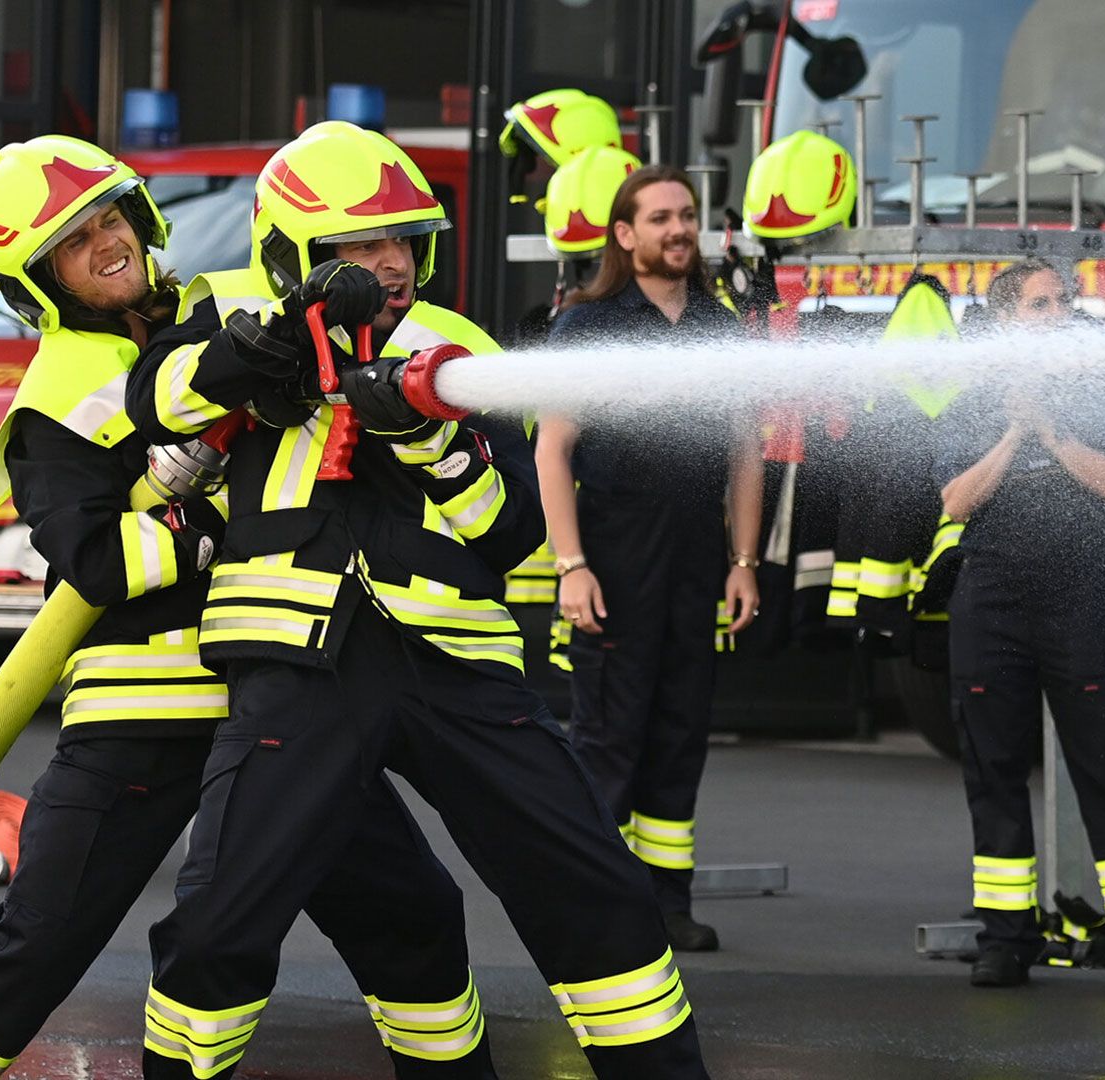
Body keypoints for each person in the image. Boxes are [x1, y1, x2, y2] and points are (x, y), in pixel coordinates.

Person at [0, 135, 492, 1080]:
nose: (106, 243)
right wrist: (209, 523)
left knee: (412, 917)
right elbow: (95, 562)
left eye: (112, 218)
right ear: (38, 282)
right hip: (144, 710)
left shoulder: (222, 312)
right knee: (37, 944)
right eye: (73, 243)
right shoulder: (51, 404)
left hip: (282, 697)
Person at [127, 122, 709, 1078]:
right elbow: (159, 400)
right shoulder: (229, 321)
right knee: (222, 917)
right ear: (296, 257)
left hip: (460, 670)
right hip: (296, 670)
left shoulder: (461, 352)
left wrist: (430, 438)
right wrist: (288, 341)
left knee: (596, 889)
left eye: (402, 239)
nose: (390, 263)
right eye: (360, 245)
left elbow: (508, 528)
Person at [935, 258, 1105, 993]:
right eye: (1041, 304)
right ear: (1005, 319)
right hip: (992, 601)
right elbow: (956, 501)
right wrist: (1014, 432)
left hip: (1077, 593)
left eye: (1062, 301)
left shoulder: (1100, 388)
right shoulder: (969, 395)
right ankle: (1005, 937)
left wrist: (1050, 431)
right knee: (993, 773)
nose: (1058, 313)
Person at [535, 164, 764, 953]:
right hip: (615, 553)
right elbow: (552, 449)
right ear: (624, 234)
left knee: (680, 732)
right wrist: (572, 566)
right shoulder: (587, 327)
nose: (678, 229)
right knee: (608, 737)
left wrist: (744, 561)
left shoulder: (720, 327)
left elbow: (745, 452)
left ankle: (668, 905)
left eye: (687, 215)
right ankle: (595, 904)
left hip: (699, 554)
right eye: (660, 217)